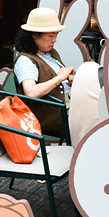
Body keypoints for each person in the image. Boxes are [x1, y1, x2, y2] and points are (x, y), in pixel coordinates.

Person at [13, 7, 75, 137]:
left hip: (69, 104)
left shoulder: (50, 53)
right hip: (55, 114)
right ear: (34, 35)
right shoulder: (25, 60)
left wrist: (68, 81)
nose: (55, 40)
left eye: (56, 35)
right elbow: (31, 92)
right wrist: (59, 78)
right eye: (51, 36)